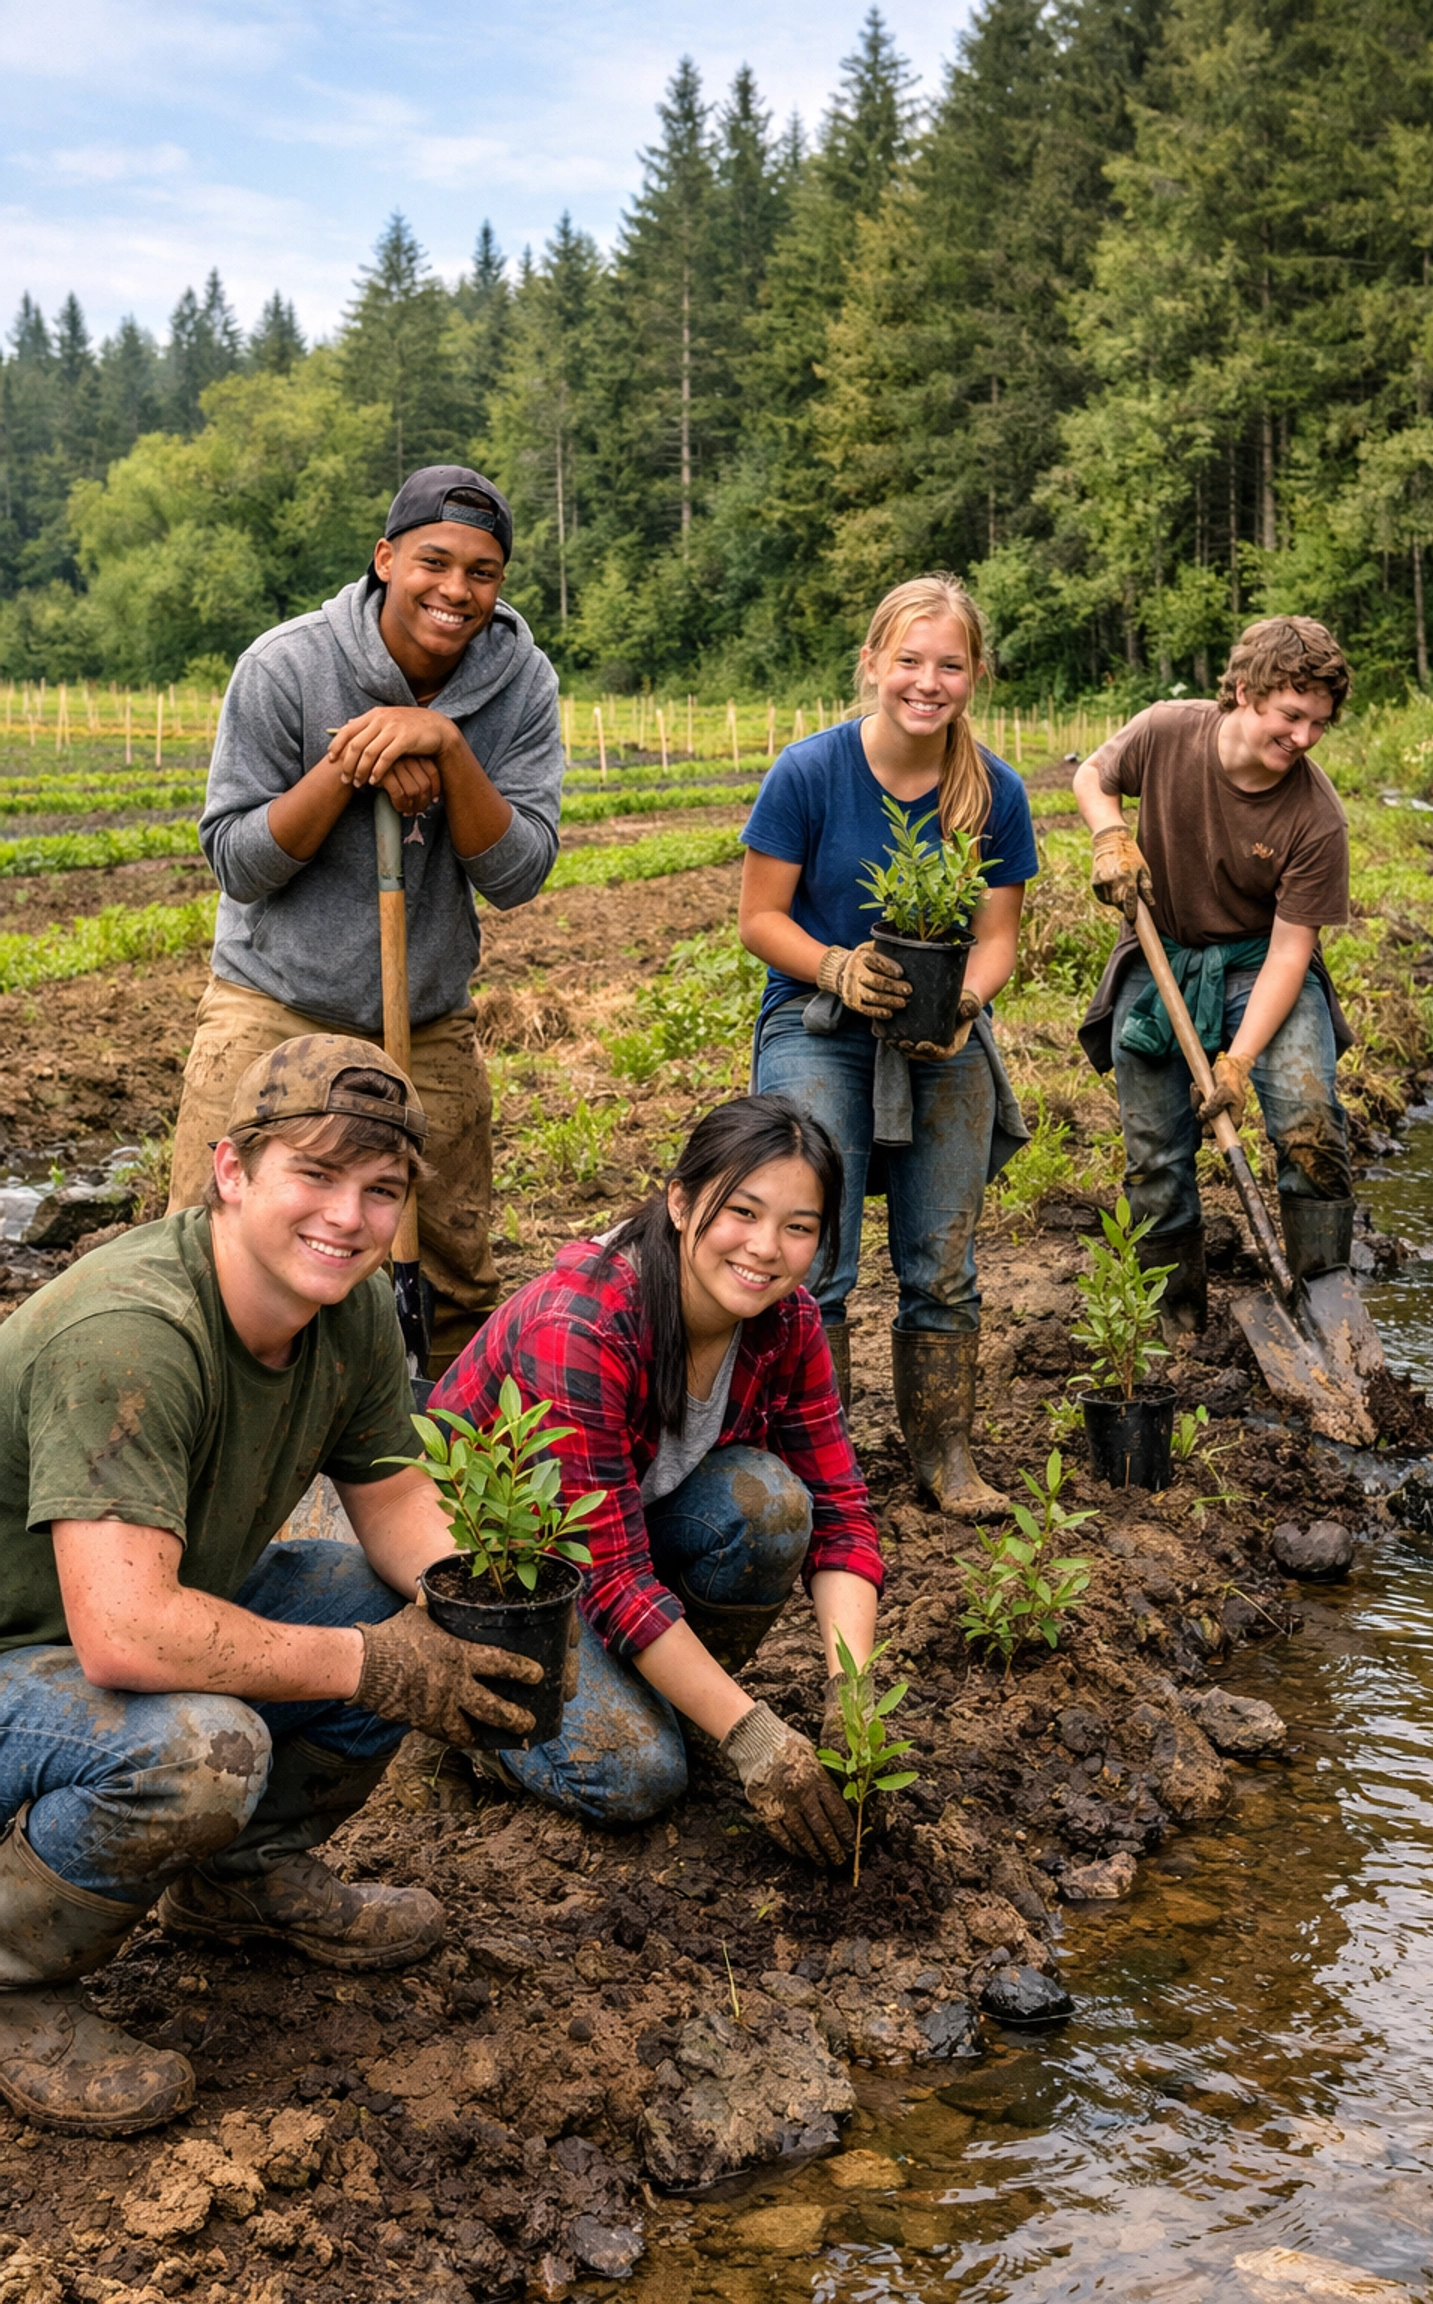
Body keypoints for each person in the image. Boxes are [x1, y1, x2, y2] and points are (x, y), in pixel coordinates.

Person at [0, 1037, 549, 2135]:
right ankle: (12, 1981)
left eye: (381, 1190)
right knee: (203, 1748)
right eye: (315, 1174)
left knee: (371, 1599)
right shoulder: (137, 1333)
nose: (347, 1217)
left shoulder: (341, 1307)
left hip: (100, 1628)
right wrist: (375, 1665)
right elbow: (123, 1633)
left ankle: (239, 1883)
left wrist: (473, 1613)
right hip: (27, 1650)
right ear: (231, 1171)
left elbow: (390, 1499)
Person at [168, 463, 566, 1373]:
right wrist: (353, 763)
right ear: (387, 558)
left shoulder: (521, 686)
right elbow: (238, 861)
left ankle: (444, 1486)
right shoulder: (286, 666)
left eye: (483, 572)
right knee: (208, 1245)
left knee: (453, 1272)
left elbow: (519, 876)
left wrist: (448, 748)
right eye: (434, 561)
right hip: (275, 999)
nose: (456, 591)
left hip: (424, 1017)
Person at [428, 1095, 885, 1864]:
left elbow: (840, 1512)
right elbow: (612, 1582)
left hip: (603, 1552)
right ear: (680, 1201)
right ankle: (467, 1725)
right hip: (490, 1574)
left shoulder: (789, 1323)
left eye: (799, 1227)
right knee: (636, 1772)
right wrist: (754, 1735)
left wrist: (854, 1690)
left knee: (771, 1504)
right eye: (742, 1211)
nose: (766, 1248)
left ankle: (681, 1696)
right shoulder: (583, 1325)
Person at [737, 574, 1038, 1518]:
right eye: (908, 660)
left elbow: (995, 938)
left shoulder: (995, 791)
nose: (927, 681)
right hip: (818, 1021)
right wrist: (835, 968)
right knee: (812, 1257)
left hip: (941, 1034)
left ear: (974, 676)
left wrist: (968, 1003)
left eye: (949, 665)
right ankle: (817, 1467)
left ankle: (946, 1462)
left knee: (940, 1264)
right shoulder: (809, 771)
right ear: (872, 663)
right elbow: (759, 920)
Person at [1074, 615, 1356, 1332]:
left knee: (1307, 1120)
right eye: (1291, 717)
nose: (1304, 739)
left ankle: (1323, 1306)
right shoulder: (1167, 731)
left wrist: (1239, 1061)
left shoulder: (1316, 817)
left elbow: (1293, 952)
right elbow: (1093, 776)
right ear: (1240, 692)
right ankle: (1177, 1320)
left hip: (1261, 964)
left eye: (1318, 724)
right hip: (1162, 953)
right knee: (1156, 1150)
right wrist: (1110, 833)